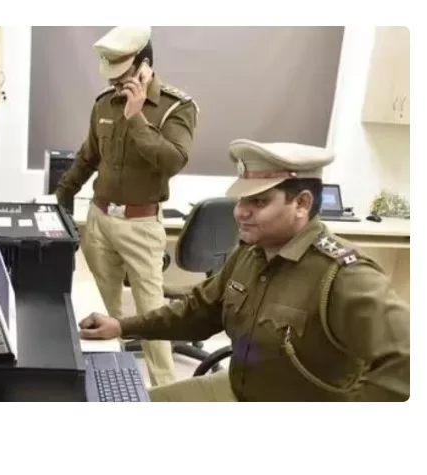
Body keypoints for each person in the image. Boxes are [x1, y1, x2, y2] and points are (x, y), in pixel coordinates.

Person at [79, 139, 410, 402]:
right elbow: (199, 312)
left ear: (302, 204)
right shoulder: (249, 253)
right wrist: (121, 326)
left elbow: (406, 359)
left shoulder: (343, 276)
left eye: (259, 202)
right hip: (237, 391)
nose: (241, 212)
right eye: (241, 200)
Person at [55, 26, 199, 387]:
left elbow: (173, 161)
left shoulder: (176, 107)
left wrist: (136, 117)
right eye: (112, 78)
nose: (116, 85)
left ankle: (165, 391)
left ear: (144, 66)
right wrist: (61, 199)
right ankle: (106, 384)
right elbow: (88, 157)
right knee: (101, 312)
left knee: (153, 316)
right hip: (100, 221)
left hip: (141, 226)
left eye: (123, 77)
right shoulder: (104, 103)